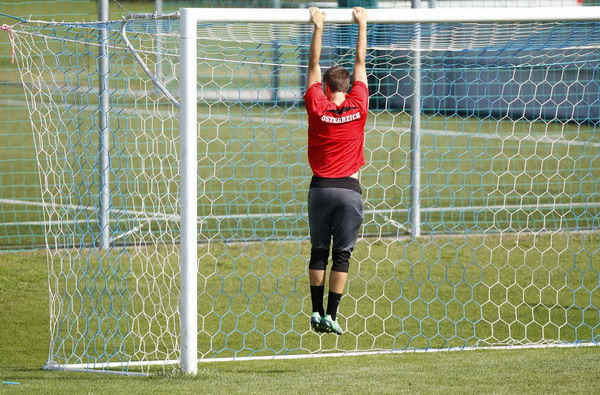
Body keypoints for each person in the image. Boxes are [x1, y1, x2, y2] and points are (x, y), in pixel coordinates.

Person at [304, 6, 368, 335]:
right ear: (348, 87)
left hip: (320, 188)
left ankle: (315, 312)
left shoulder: (317, 105)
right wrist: (363, 24)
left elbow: (313, 64)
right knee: (342, 255)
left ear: (326, 88)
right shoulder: (359, 105)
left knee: (319, 250)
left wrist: (318, 26)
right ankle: (333, 315)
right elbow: (360, 62)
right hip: (349, 190)